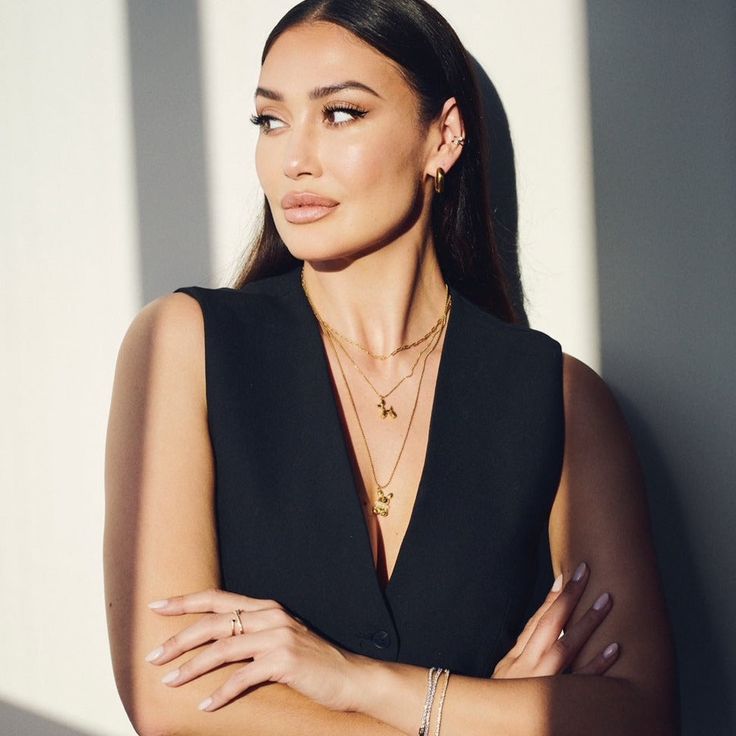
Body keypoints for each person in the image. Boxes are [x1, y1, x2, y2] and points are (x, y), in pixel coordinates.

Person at [103, 1, 679, 734]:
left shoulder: (558, 400)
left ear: (444, 137)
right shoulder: (186, 346)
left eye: (340, 113)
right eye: (270, 120)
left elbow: (638, 714)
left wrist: (360, 683)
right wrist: (477, 714)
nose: (295, 157)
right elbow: (175, 700)